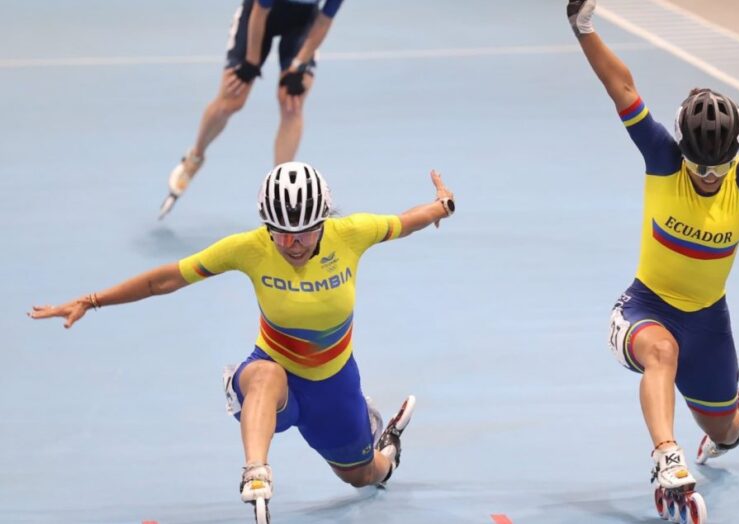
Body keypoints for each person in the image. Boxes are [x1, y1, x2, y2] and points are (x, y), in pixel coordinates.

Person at [31, 162, 457, 521]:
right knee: (264, 375)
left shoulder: (352, 233)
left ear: (323, 221)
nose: (292, 244)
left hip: (334, 383)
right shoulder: (249, 248)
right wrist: (92, 300)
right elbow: (165, 279)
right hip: (275, 371)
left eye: (304, 233)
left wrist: (442, 205)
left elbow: (407, 221)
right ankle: (255, 472)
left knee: (363, 475)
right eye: (281, 232)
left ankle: (387, 447)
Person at [568, 0, 739, 520]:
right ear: (681, 148)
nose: (708, 177)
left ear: (735, 155)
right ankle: (667, 458)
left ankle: (731, 415)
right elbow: (622, 87)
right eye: (698, 166)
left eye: (717, 169)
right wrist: (583, 27)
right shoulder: (661, 157)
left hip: (709, 323)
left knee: (726, 433)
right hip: (645, 308)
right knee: (660, 352)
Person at [160, 0, 347, 218]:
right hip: (259, 16)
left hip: (302, 23)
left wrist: (298, 65)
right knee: (232, 100)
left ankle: (282, 190)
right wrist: (251, 62)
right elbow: (260, 12)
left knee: (292, 103)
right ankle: (194, 158)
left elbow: (324, 20)